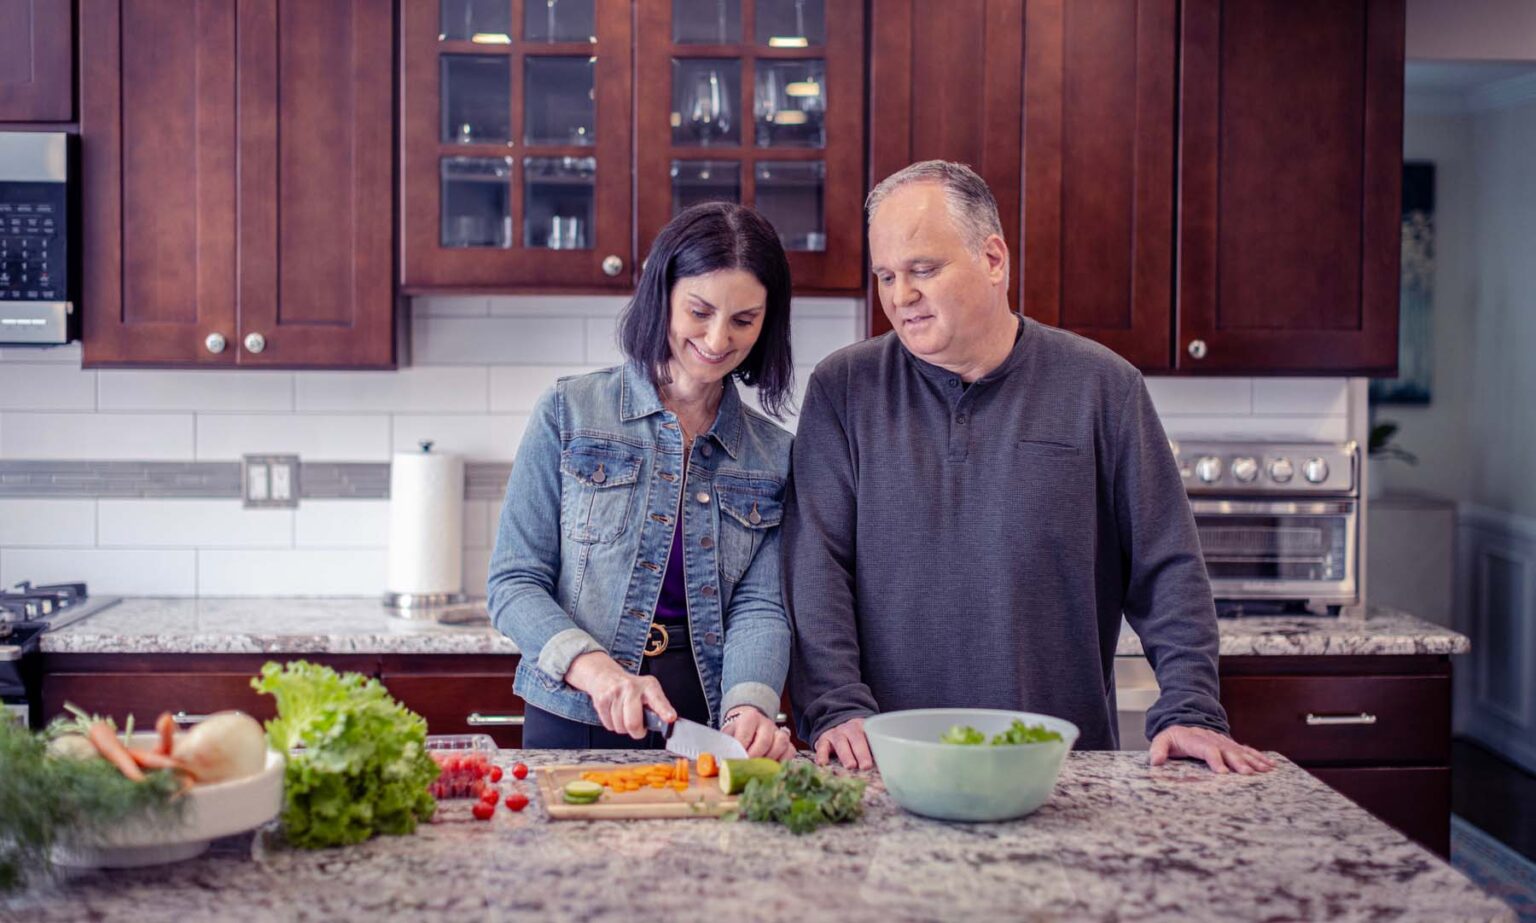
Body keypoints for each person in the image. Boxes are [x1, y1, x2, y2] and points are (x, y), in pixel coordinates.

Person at [784, 161, 1275, 775]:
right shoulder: (842, 389)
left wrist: (1190, 709)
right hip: (884, 765)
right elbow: (815, 566)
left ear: (993, 260)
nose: (900, 295)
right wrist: (835, 706)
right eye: (886, 275)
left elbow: (1167, 566)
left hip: (1058, 770)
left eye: (923, 269)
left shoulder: (1104, 388)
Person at [489, 202, 797, 760]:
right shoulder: (569, 412)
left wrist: (751, 705)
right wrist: (600, 673)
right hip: (576, 706)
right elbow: (514, 583)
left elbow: (761, 607)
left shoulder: (774, 454)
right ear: (663, 297)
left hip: (703, 716)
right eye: (699, 311)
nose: (717, 338)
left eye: (744, 320)